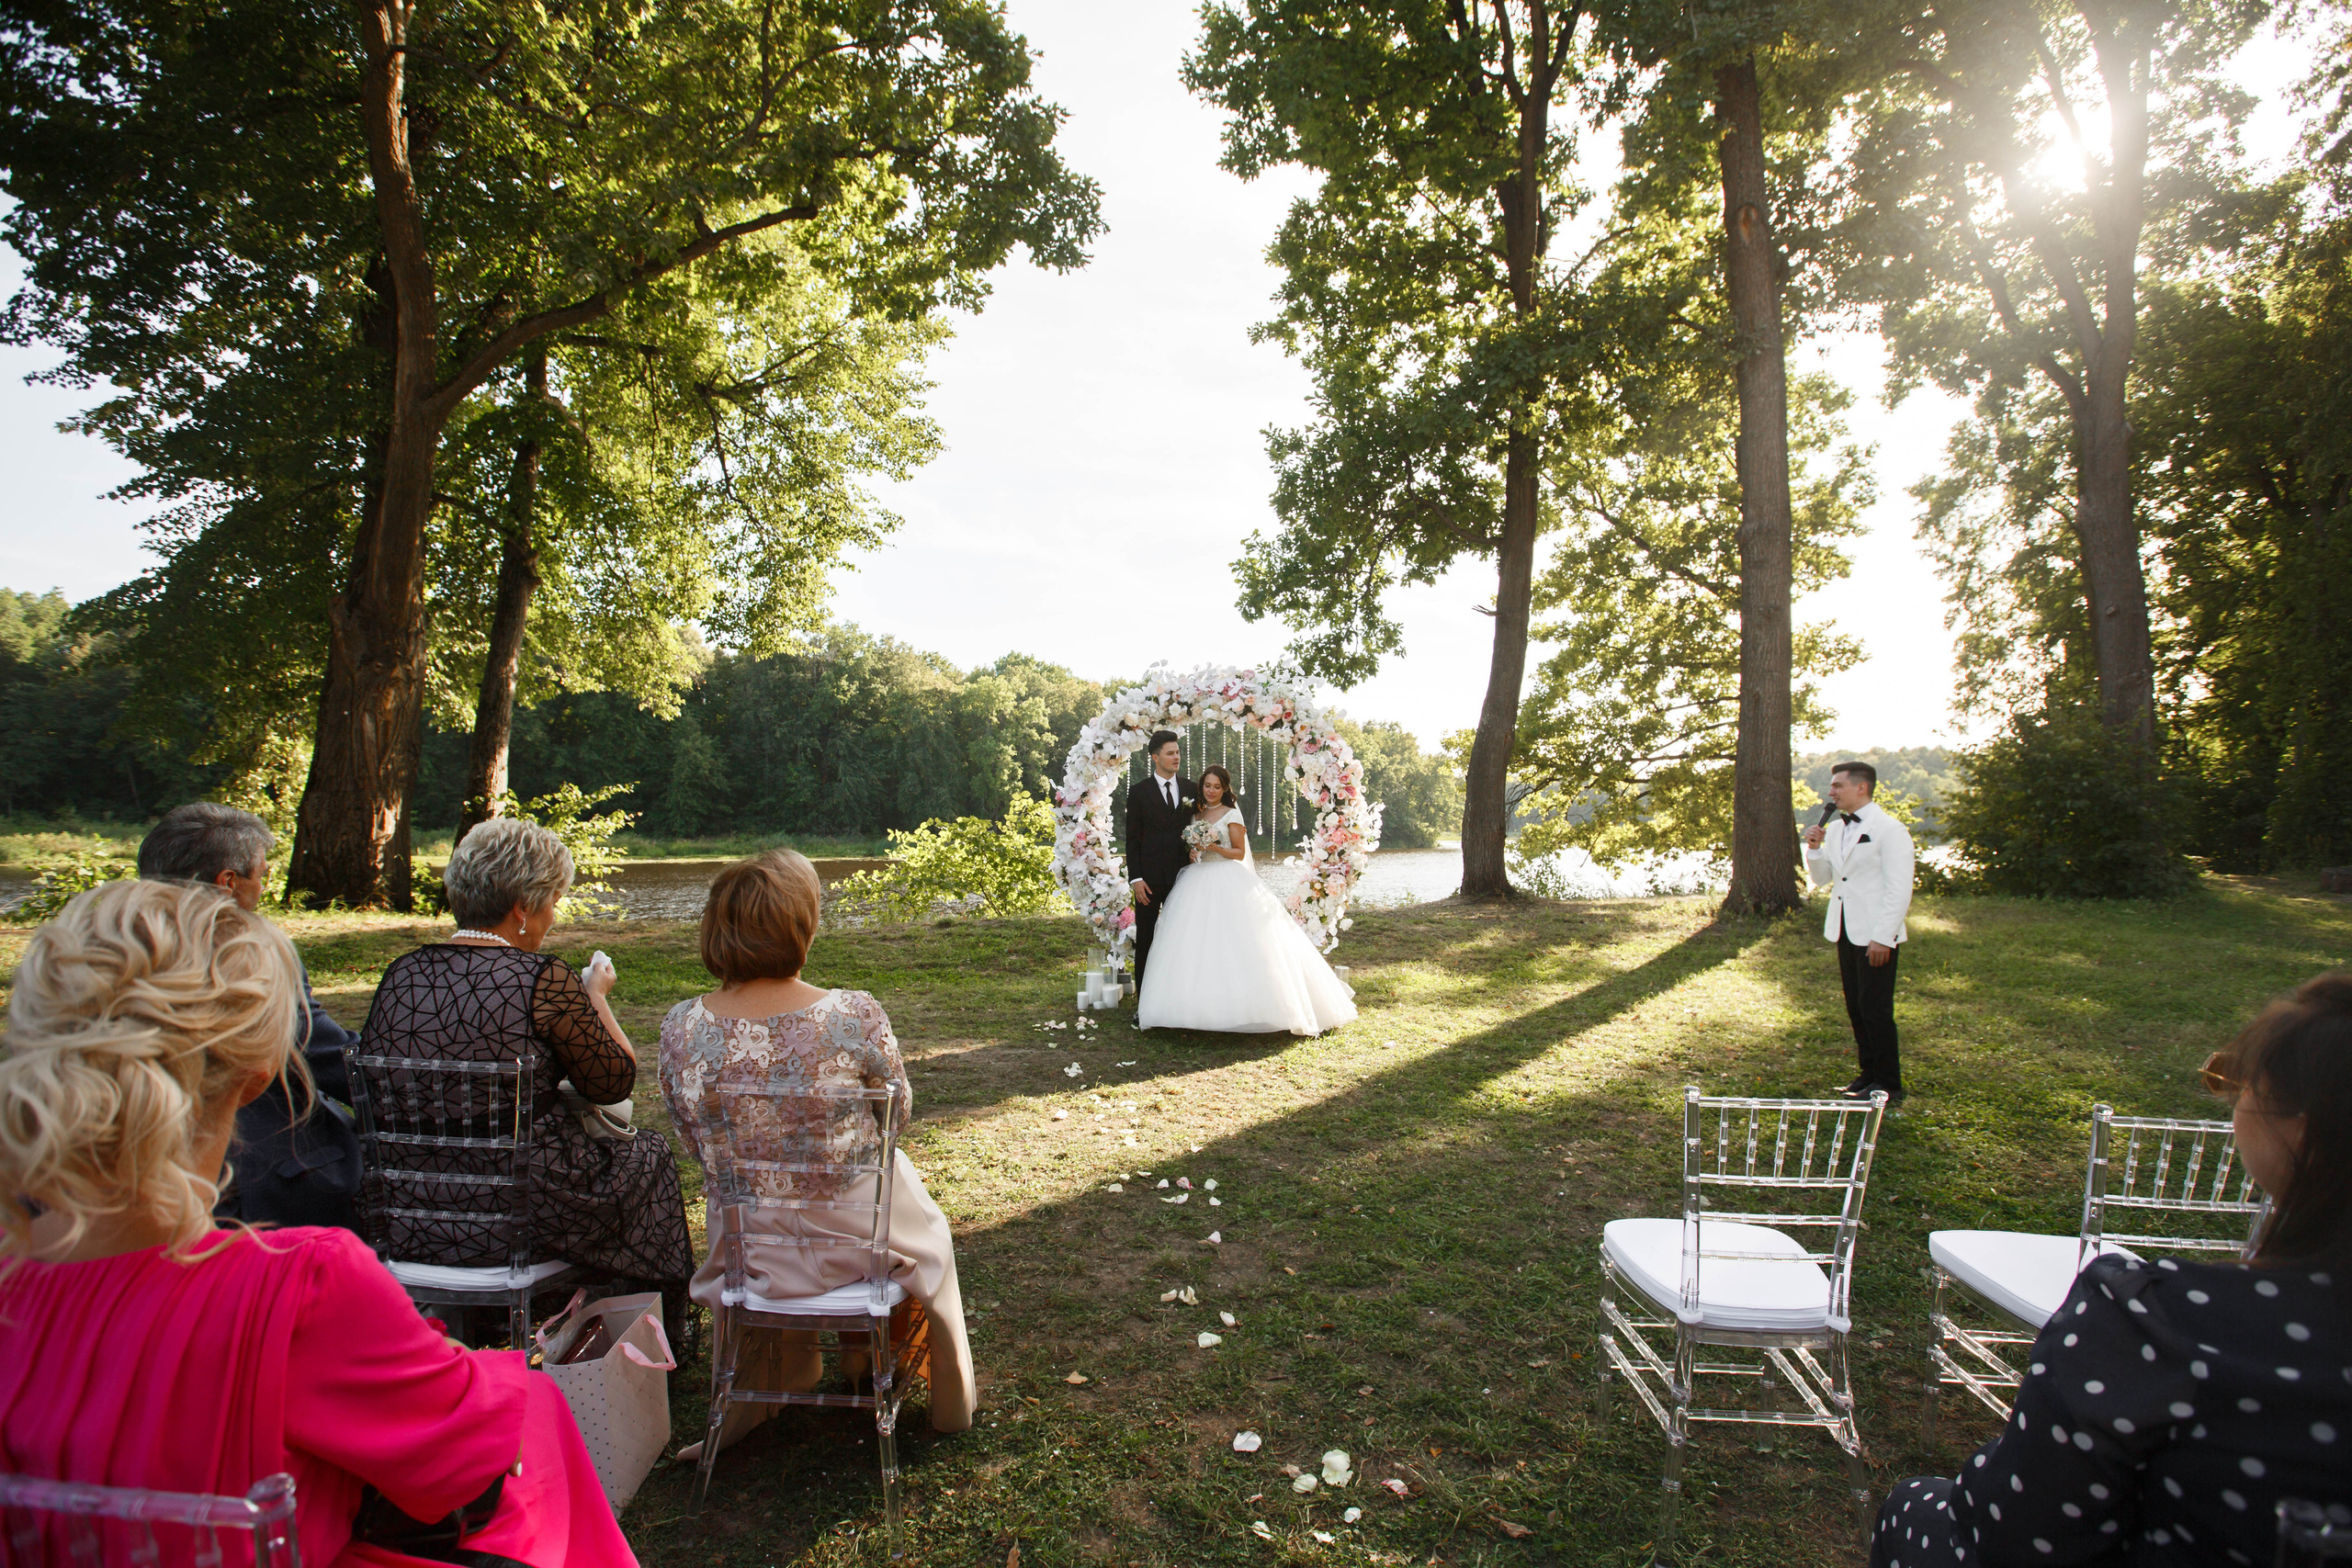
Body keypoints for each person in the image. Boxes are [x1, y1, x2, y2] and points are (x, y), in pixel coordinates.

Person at [0, 878, 634, 1567]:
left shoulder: (15, 1290)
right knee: (535, 1415)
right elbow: (470, 1464)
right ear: (258, 1068)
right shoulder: (297, 1287)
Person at [1871, 971, 2352, 1568]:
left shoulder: (2158, 1327)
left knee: (1910, 1507)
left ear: (2301, 1128)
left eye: (2245, 1079)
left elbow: (2007, 1539)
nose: (2233, 1092)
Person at [657, 850, 977, 1459]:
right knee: (901, 1188)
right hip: (856, 1244)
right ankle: (927, 1388)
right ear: (800, 926)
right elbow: (896, 1114)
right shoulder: (851, 1014)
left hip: (749, 1250)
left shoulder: (680, 1025)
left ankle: (784, 1370)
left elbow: (692, 1138)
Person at [361, 816, 691, 1341]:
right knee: (645, 1155)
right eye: (552, 901)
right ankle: (635, 1345)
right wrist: (594, 998)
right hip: (515, 1218)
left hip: (411, 1216)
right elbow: (613, 1083)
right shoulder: (542, 980)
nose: (553, 916)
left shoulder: (401, 974)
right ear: (522, 907)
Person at [137, 801, 366, 1232]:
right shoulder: (250, 954)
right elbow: (316, 1051)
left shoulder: (105, 950)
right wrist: (406, 1082)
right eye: (261, 875)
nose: (261, 889)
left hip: (131, 1164)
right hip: (255, 1175)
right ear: (228, 882)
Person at [1135, 763, 1358, 1036]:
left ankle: (1247, 1008)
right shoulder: (1195, 813)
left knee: (1236, 941)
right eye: (1207, 785)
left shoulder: (1232, 814)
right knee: (1194, 941)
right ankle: (1191, 1007)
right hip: (1197, 878)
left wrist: (1213, 847)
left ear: (1225, 789)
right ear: (1201, 787)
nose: (1212, 791)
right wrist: (1194, 852)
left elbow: (1239, 853)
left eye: (1217, 786)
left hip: (1227, 877)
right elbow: (1188, 846)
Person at [1804, 760, 1915, 1105]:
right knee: (1856, 1006)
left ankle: (1889, 1085)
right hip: (1844, 929)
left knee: (1876, 1009)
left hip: (1876, 934)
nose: (1831, 791)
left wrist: (1885, 936)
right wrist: (1815, 848)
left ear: (1861, 787)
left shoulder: (1890, 830)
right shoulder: (1836, 829)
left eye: (1837, 785)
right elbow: (1823, 879)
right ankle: (1868, 1075)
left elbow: (1900, 888)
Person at [1125, 728, 1193, 993]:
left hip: (1183, 878)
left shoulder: (1191, 788)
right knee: (1146, 939)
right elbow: (1132, 839)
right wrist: (1136, 878)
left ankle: (1179, 995)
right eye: (1170, 753)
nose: (1176, 757)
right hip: (1148, 882)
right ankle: (1144, 1000)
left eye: (1177, 752)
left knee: (1182, 938)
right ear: (1155, 757)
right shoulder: (1139, 792)